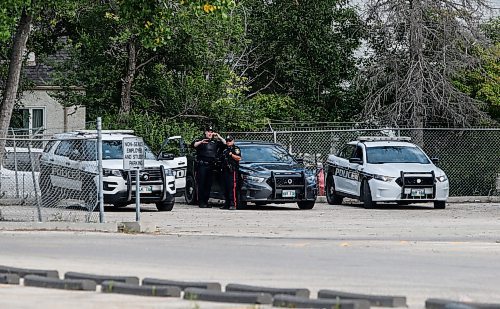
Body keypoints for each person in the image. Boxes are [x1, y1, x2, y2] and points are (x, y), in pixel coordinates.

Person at [191, 125, 226, 208]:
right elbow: (193, 145)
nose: (210, 133)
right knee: (201, 184)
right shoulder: (201, 141)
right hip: (202, 165)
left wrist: (219, 136)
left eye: (211, 132)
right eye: (208, 132)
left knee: (208, 184)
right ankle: (201, 202)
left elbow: (225, 143)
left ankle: (206, 201)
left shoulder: (215, 142)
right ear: (205, 132)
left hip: (211, 165)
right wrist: (201, 141)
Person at [220, 135, 241, 210]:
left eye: (230, 141)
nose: (228, 142)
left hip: (232, 170)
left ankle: (233, 204)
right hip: (225, 170)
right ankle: (227, 203)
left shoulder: (235, 149)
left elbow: (239, 158)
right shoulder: (225, 149)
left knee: (232, 187)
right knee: (225, 187)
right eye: (227, 141)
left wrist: (231, 155)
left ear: (233, 141)